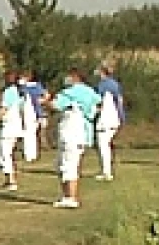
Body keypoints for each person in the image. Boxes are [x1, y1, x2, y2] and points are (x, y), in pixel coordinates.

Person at [52, 70, 99, 209]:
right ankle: (67, 196)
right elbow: (96, 108)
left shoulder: (70, 93)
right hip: (83, 133)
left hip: (71, 132)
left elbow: (56, 105)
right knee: (69, 164)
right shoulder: (91, 93)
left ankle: (70, 197)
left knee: (68, 165)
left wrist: (45, 101)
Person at [95, 62, 125, 181]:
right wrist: (122, 117)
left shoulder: (103, 85)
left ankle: (106, 171)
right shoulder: (115, 84)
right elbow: (119, 101)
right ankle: (108, 169)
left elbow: (99, 102)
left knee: (103, 145)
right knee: (107, 144)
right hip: (114, 118)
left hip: (106, 118)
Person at [18, 70, 44, 163]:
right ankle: (32, 154)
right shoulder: (37, 86)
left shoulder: (28, 86)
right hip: (35, 112)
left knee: (28, 133)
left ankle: (29, 155)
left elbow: (22, 96)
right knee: (32, 134)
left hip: (30, 111)